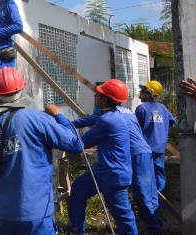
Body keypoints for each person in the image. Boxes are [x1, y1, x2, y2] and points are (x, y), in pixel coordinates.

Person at [0, 67, 83, 234]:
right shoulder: (37, 119)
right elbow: (75, 145)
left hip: (1, 212)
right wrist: (59, 115)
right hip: (34, 210)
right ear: (21, 89)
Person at [47, 79, 137, 235]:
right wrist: (69, 124)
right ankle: (77, 229)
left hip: (113, 175)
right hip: (103, 171)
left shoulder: (108, 120)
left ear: (105, 99)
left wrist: (59, 115)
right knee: (79, 189)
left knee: (123, 216)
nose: (95, 96)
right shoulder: (111, 115)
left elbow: (78, 146)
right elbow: (86, 122)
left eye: (98, 94)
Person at [72, 104, 162, 234]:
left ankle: (154, 230)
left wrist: (68, 123)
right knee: (145, 194)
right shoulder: (124, 110)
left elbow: (90, 121)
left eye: (98, 95)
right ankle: (77, 229)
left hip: (135, 154)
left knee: (143, 195)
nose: (95, 99)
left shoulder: (109, 115)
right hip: (135, 153)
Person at [135, 80, 176, 194]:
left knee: (146, 173)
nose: (140, 93)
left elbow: (135, 126)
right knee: (159, 171)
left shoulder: (141, 108)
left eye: (142, 91)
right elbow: (172, 121)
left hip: (145, 146)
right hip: (160, 145)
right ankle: (161, 200)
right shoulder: (162, 107)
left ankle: (149, 198)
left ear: (148, 94)